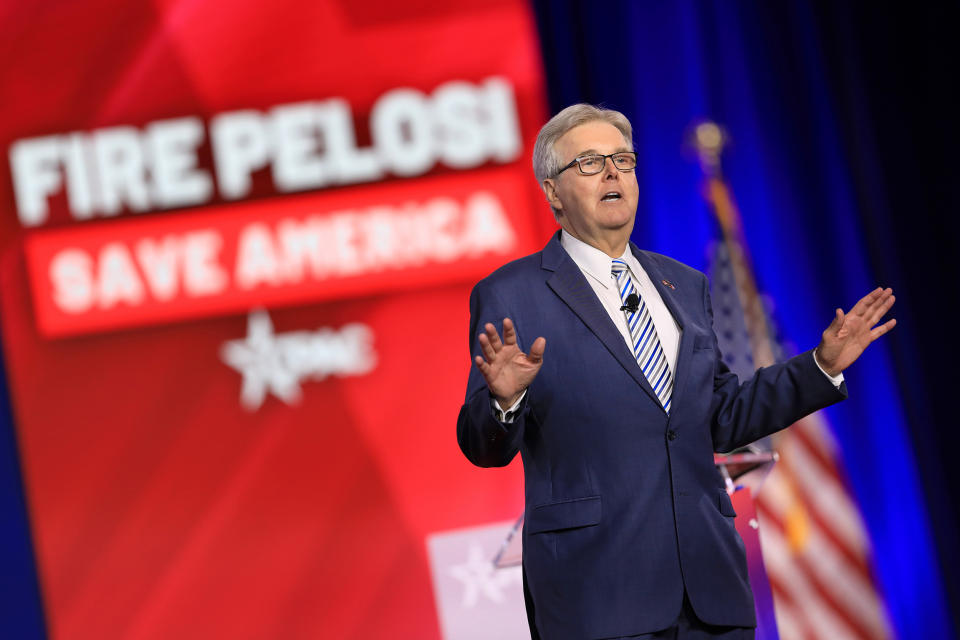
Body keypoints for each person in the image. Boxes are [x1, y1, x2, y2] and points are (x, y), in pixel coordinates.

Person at [456, 104, 896, 640]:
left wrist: (820, 367)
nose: (614, 173)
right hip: (599, 596)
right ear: (552, 191)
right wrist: (503, 401)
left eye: (623, 159)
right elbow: (482, 445)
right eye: (591, 163)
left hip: (709, 592)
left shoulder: (682, 286)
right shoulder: (512, 293)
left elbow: (721, 418)